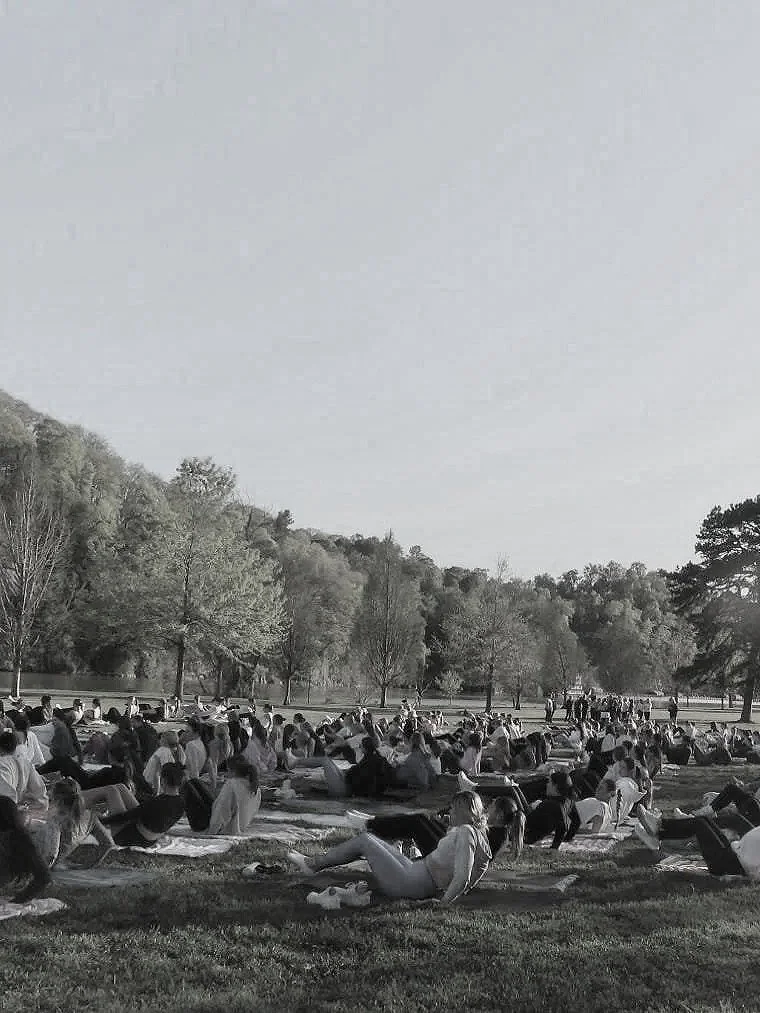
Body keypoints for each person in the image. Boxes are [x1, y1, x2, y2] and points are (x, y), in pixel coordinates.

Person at [287, 790, 492, 903]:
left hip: (414, 882)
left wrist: (444, 902)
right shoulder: (476, 834)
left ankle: (312, 864)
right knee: (370, 839)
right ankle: (314, 863)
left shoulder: (466, 831)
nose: (451, 813)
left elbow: (464, 876)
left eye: (455, 809)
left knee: (364, 841)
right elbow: (477, 871)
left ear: (468, 810)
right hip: (417, 872)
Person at [101, 763, 186, 847]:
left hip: (130, 839)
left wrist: (103, 821)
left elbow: (125, 816)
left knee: (112, 790)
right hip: (151, 839)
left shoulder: (157, 801)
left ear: (164, 780)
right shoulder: (181, 802)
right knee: (121, 787)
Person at [184, 755, 262, 834]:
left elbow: (222, 811)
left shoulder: (232, 784)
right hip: (239, 825)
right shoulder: (255, 788)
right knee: (195, 782)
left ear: (232, 771)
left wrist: (211, 831)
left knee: (187, 787)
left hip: (223, 828)